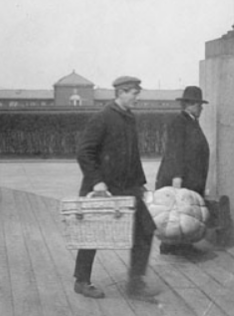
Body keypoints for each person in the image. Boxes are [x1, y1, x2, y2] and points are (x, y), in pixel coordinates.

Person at [73, 76, 159, 301]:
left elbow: (132, 155)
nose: (137, 97)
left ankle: (135, 283)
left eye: (137, 93)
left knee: (145, 229)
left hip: (128, 188)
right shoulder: (103, 117)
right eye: (133, 93)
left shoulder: (129, 118)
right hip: (103, 188)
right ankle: (82, 282)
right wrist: (97, 182)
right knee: (91, 234)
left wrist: (140, 184)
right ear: (121, 92)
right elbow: (84, 152)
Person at [155, 86, 210, 255]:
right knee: (177, 212)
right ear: (189, 105)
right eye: (198, 104)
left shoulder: (191, 121)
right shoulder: (179, 122)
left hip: (191, 177)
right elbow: (175, 151)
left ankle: (179, 244)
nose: (201, 108)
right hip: (181, 177)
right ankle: (172, 245)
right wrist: (176, 177)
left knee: (183, 213)